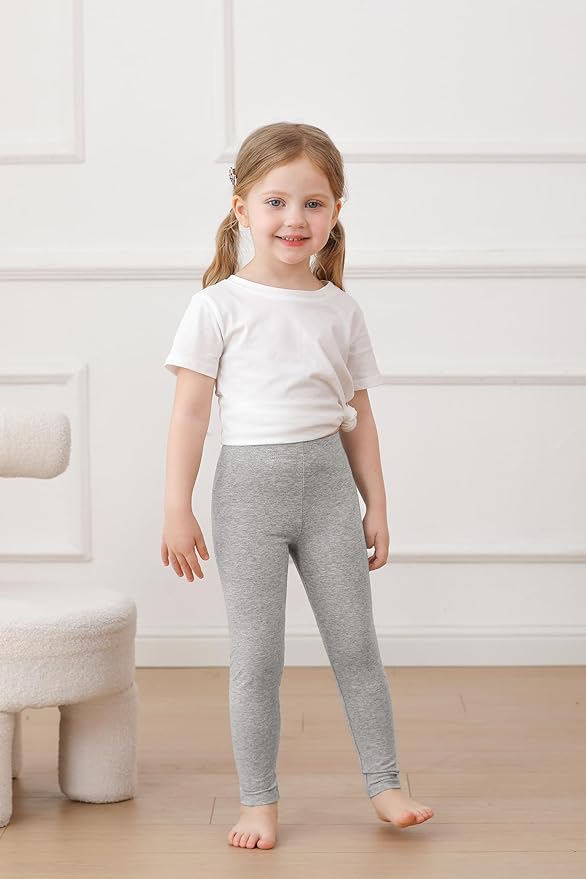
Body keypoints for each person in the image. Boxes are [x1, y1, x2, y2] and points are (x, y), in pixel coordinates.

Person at [161, 122, 434, 850]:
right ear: (241, 207)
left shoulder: (340, 309)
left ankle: (385, 783)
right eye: (276, 201)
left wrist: (377, 504)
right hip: (247, 495)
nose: (294, 219)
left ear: (336, 210)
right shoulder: (217, 306)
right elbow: (190, 414)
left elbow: (358, 417)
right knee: (257, 658)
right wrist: (176, 505)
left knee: (356, 647)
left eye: (313, 203)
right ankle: (258, 801)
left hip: (328, 495)